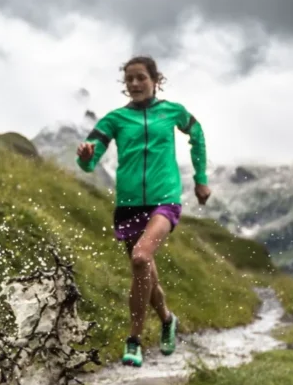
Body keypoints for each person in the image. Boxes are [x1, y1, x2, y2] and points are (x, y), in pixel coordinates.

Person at [76, 56, 211, 368]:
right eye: (129, 80)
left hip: (165, 200)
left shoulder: (172, 112)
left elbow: (198, 134)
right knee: (145, 272)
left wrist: (201, 179)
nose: (135, 84)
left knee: (140, 257)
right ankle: (166, 319)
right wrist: (85, 156)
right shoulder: (115, 120)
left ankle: (133, 340)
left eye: (141, 78)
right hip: (128, 205)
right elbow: (88, 161)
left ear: (155, 80)